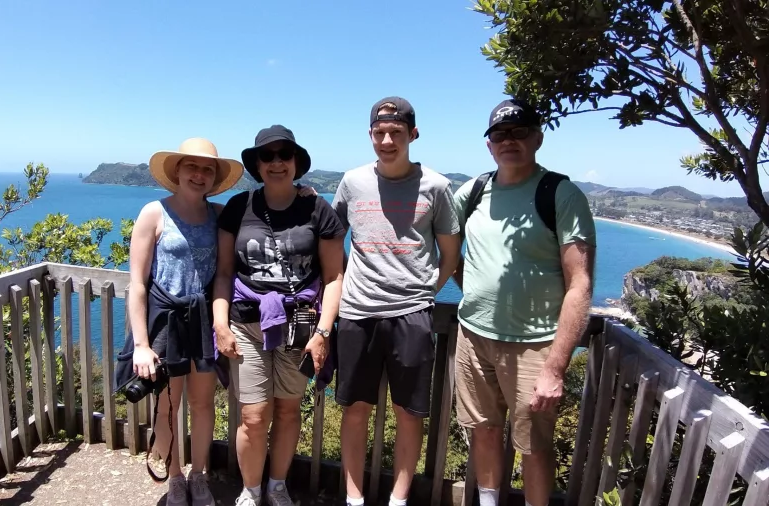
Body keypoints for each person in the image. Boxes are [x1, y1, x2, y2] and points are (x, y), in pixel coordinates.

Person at [451, 98, 596, 506]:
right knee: (482, 430)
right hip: (473, 336)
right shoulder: (474, 191)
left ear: (537, 138)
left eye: (519, 132)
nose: (509, 140)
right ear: (489, 144)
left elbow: (580, 284)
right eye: (500, 134)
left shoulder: (561, 194)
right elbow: (440, 238)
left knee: (534, 445)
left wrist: (555, 366)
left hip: (536, 343)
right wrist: (471, 286)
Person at [331, 97, 462, 506]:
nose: (387, 140)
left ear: (413, 135)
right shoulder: (351, 182)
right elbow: (332, 240)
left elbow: (450, 253)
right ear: (370, 134)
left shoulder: (437, 187)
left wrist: (426, 289)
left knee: (409, 412)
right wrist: (351, 275)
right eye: (380, 132)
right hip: (356, 311)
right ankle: (353, 496)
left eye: (396, 133)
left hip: (412, 313)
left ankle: (399, 497)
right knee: (354, 408)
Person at [212, 125, 346, 506]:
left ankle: (277, 485)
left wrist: (323, 331)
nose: (275, 162)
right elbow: (223, 273)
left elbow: (334, 276)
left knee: (288, 411)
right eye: (267, 156)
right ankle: (251, 490)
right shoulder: (240, 208)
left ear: (295, 162)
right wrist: (220, 324)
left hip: (300, 324)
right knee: (253, 416)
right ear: (256, 164)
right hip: (246, 323)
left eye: (283, 155)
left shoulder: (317, 208)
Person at [122, 137, 244, 506]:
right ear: (177, 171)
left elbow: (263, 212)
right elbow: (137, 284)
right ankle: (175, 476)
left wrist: (302, 192)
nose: (199, 174)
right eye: (192, 166)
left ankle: (199, 474)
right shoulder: (153, 213)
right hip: (165, 324)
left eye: (208, 169)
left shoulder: (220, 214)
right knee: (168, 404)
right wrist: (141, 345)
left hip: (204, 319)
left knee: (203, 403)